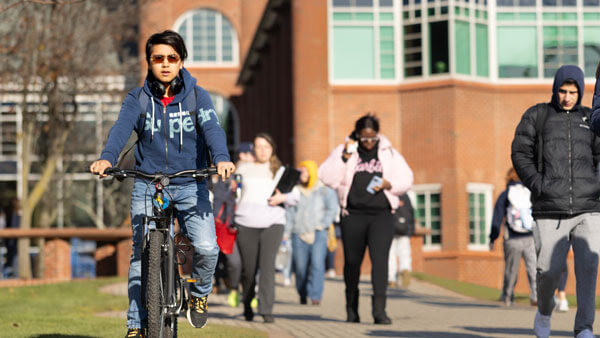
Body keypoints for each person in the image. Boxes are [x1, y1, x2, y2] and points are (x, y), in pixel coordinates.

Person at [89, 30, 235, 338]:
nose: (165, 64)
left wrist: (221, 157)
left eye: (172, 58)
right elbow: (120, 130)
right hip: (147, 183)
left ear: (181, 62)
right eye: (158, 58)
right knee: (140, 256)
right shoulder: (138, 98)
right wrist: (107, 158)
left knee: (208, 248)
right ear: (149, 62)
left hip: (189, 184)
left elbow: (213, 129)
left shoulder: (198, 96)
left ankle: (200, 294)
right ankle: (135, 326)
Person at [512, 64, 600, 338]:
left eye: (573, 92)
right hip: (549, 209)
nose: (567, 97)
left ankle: (584, 327)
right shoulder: (537, 115)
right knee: (547, 271)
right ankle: (545, 312)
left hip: (589, 209)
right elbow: (520, 153)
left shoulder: (591, 119)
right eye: (562, 91)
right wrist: (539, 185)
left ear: (581, 92)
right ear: (555, 89)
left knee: (588, 269)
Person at [318, 113, 413, 325]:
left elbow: (407, 178)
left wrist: (389, 185)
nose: (369, 143)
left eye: (373, 138)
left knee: (380, 263)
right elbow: (326, 177)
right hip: (353, 215)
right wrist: (344, 155)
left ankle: (380, 311)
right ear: (357, 136)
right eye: (365, 139)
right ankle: (351, 309)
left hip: (381, 216)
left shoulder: (389, 153)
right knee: (352, 263)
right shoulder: (345, 152)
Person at [234, 133, 299, 323]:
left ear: (272, 149)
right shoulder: (243, 168)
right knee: (249, 269)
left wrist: (282, 198)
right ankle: (247, 303)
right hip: (246, 223)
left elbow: (295, 196)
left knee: (268, 267)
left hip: (273, 223)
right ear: (253, 149)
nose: (262, 150)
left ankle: (266, 309)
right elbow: (235, 193)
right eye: (258, 146)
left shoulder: (280, 170)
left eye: (266, 147)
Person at [285, 160, 339, 305]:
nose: (303, 174)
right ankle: (302, 292)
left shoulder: (323, 190)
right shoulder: (295, 190)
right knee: (300, 267)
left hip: (318, 233)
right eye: (301, 171)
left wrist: (323, 225)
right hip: (299, 232)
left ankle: (315, 296)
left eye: (306, 171)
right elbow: (289, 211)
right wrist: (287, 231)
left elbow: (333, 208)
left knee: (317, 264)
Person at [489, 168, 536, 307]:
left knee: (511, 269)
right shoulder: (531, 192)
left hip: (512, 238)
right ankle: (536, 295)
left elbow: (497, 218)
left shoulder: (505, 194)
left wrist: (493, 237)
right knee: (533, 268)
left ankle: (508, 296)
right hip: (531, 237)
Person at [388, 193, 414, 288]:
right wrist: (410, 231)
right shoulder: (406, 196)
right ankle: (405, 270)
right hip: (404, 231)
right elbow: (411, 213)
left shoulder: (389, 194)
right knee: (405, 253)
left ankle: (392, 279)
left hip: (390, 230)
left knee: (391, 255)